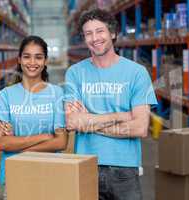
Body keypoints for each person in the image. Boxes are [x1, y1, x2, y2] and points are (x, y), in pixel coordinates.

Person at [64, 9, 157, 200]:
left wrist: (89, 122)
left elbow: (140, 128)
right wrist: (121, 116)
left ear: (112, 33)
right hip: (85, 165)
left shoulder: (137, 73)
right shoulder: (74, 73)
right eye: (88, 33)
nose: (94, 38)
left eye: (100, 31)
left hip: (125, 168)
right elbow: (73, 123)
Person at [0, 35, 68, 199]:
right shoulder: (5, 95)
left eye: (38, 57)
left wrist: (17, 147)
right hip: (16, 174)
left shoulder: (56, 93)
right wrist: (44, 137)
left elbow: (61, 141)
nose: (32, 62)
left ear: (45, 61)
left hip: (50, 173)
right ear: (19, 60)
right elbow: (2, 142)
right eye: (27, 56)